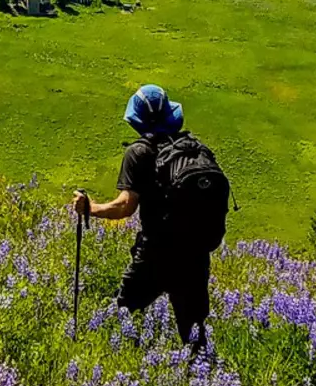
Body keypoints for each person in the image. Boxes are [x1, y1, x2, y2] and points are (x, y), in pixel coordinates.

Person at [74, 83, 216, 347]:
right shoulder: (194, 148)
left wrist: (89, 208)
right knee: (194, 332)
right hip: (195, 254)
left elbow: (124, 207)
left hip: (156, 253)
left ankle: (123, 366)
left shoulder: (139, 152)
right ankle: (201, 380)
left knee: (125, 312)